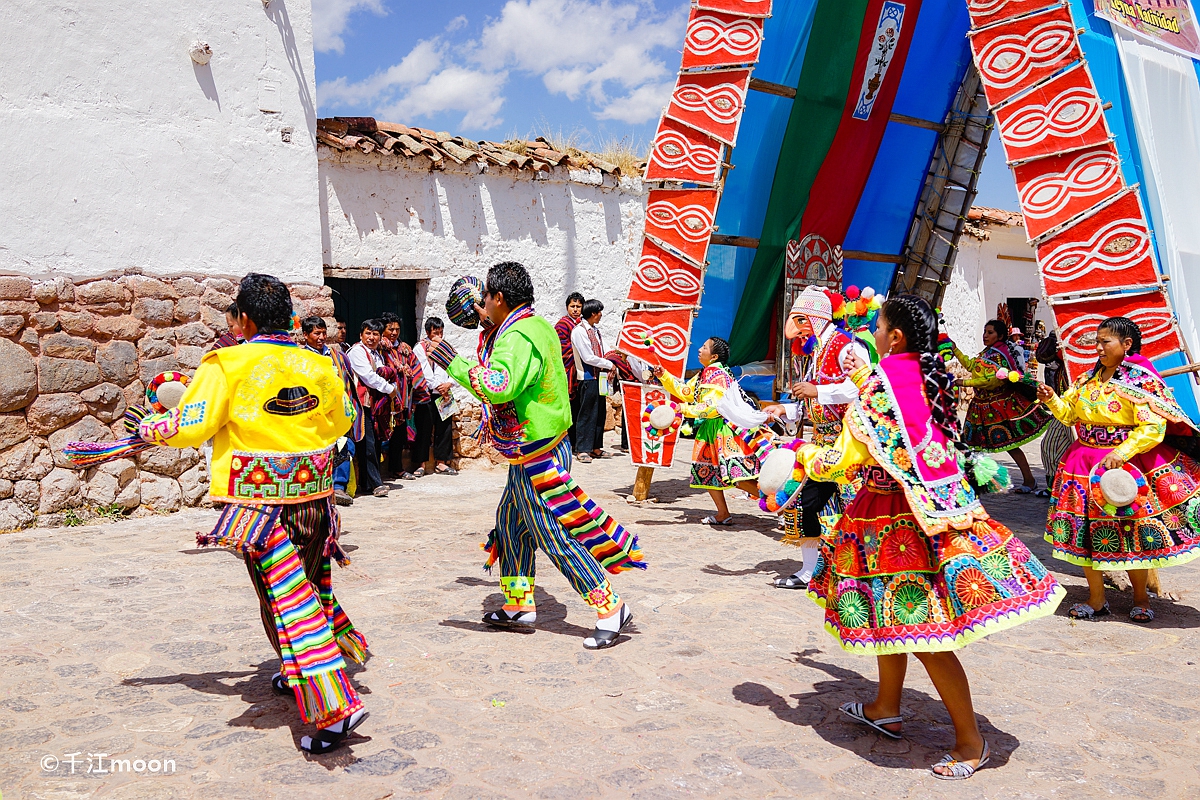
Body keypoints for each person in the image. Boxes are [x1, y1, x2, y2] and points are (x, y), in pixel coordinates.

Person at [797, 294, 1063, 779]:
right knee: (892, 615)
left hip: (895, 517)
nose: (872, 334)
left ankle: (969, 742)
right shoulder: (927, 375)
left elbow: (844, 459)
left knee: (924, 629)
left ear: (894, 337)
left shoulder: (882, 388)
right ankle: (885, 706)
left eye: (877, 328)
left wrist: (799, 457)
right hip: (932, 507)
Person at [136, 274, 369, 753]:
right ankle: (296, 670)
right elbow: (345, 418)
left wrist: (149, 430)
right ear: (288, 317)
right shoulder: (318, 362)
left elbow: (190, 423)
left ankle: (334, 709)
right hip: (316, 502)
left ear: (242, 319)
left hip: (261, 511)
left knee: (288, 604)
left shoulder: (227, 362)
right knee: (307, 589)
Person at [425, 262, 644, 649]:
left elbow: (499, 384)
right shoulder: (534, 325)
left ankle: (610, 606)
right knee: (510, 525)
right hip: (541, 445)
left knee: (553, 533)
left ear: (500, 298)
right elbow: (512, 360)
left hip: (536, 452)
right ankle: (519, 605)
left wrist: (452, 361)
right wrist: (489, 324)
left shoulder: (517, 337)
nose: (483, 304)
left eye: (487, 298)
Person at [1037, 316, 1200, 622]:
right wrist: (1052, 400)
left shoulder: (1138, 382)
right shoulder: (1087, 380)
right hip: (1081, 465)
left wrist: (1121, 453)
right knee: (1084, 535)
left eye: (1105, 341)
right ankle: (1096, 598)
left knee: (1130, 533)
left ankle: (1140, 598)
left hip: (1123, 469)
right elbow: (1070, 417)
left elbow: (1153, 427)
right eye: (1096, 342)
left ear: (1126, 345)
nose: (1098, 347)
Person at [762, 286, 871, 588]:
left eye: (800, 325)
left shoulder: (848, 346)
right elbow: (810, 399)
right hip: (821, 443)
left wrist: (817, 391)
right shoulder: (816, 352)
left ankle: (861, 572)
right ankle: (809, 572)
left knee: (855, 508)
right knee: (808, 504)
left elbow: (861, 387)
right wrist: (784, 409)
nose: (797, 336)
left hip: (851, 444)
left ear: (812, 319)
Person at [655, 337, 761, 525]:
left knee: (738, 476)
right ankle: (723, 513)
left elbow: (713, 406)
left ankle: (778, 504)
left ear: (713, 356)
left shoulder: (717, 375)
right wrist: (664, 375)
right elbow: (687, 392)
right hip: (709, 431)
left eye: (704, 347)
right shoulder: (706, 373)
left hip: (722, 430)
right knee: (708, 474)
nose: (699, 349)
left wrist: (685, 410)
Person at [953, 319, 1053, 493]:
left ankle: (1029, 480)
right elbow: (971, 365)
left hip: (998, 407)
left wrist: (965, 382)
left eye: (990, 332)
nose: (985, 335)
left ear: (999, 335)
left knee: (1010, 444)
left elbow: (991, 381)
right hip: (980, 406)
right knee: (971, 445)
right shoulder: (986, 352)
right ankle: (974, 480)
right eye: (985, 331)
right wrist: (955, 350)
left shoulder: (998, 354)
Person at [302, 316, 364, 506]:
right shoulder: (302, 358)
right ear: (305, 335)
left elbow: (349, 382)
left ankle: (338, 487)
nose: (321, 337)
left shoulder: (337, 355)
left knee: (343, 446)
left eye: (323, 333)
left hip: (337, 412)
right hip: (313, 413)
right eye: (316, 333)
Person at [346, 319, 399, 497]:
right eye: (368, 333)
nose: (372, 337)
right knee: (367, 442)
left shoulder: (376, 353)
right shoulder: (357, 352)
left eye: (375, 334)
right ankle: (376, 483)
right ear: (361, 335)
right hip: (361, 404)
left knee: (374, 442)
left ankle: (368, 484)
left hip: (373, 404)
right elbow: (369, 377)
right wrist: (391, 389)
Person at [379, 312, 430, 481]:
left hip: (401, 401)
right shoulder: (379, 348)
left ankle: (397, 468)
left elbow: (416, 372)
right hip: (383, 400)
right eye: (390, 329)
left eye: (397, 329)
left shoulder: (405, 350)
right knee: (381, 434)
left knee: (399, 435)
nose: (394, 332)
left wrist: (417, 397)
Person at [570, 299, 614, 463]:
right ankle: (582, 449)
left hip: (599, 377)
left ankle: (596, 447)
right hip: (587, 377)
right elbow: (587, 357)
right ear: (593, 313)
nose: (601, 315)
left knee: (599, 413)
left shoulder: (595, 331)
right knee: (586, 413)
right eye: (599, 312)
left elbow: (604, 349)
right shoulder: (579, 331)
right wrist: (609, 364)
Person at [412, 316, 458, 476]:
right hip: (426, 394)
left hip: (445, 392)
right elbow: (423, 371)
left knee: (445, 429)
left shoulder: (447, 347)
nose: (438, 336)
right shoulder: (420, 348)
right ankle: (421, 464)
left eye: (441, 332)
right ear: (427, 332)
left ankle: (441, 463)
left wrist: (449, 384)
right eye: (435, 333)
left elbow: (455, 368)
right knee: (423, 428)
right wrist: (438, 386)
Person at [1033, 331, 1072, 498]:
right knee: (1049, 445)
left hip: (1083, 407)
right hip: (1062, 405)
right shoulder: (1058, 345)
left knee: (1076, 447)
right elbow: (1042, 355)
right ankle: (1052, 487)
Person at [556, 292, 585, 449]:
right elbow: (561, 347)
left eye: (578, 306)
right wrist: (580, 352)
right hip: (568, 371)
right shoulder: (562, 325)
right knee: (569, 406)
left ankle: (576, 442)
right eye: (572, 306)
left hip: (580, 371)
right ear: (567, 307)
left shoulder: (583, 324)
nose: (575, 309)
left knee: (579, 407)